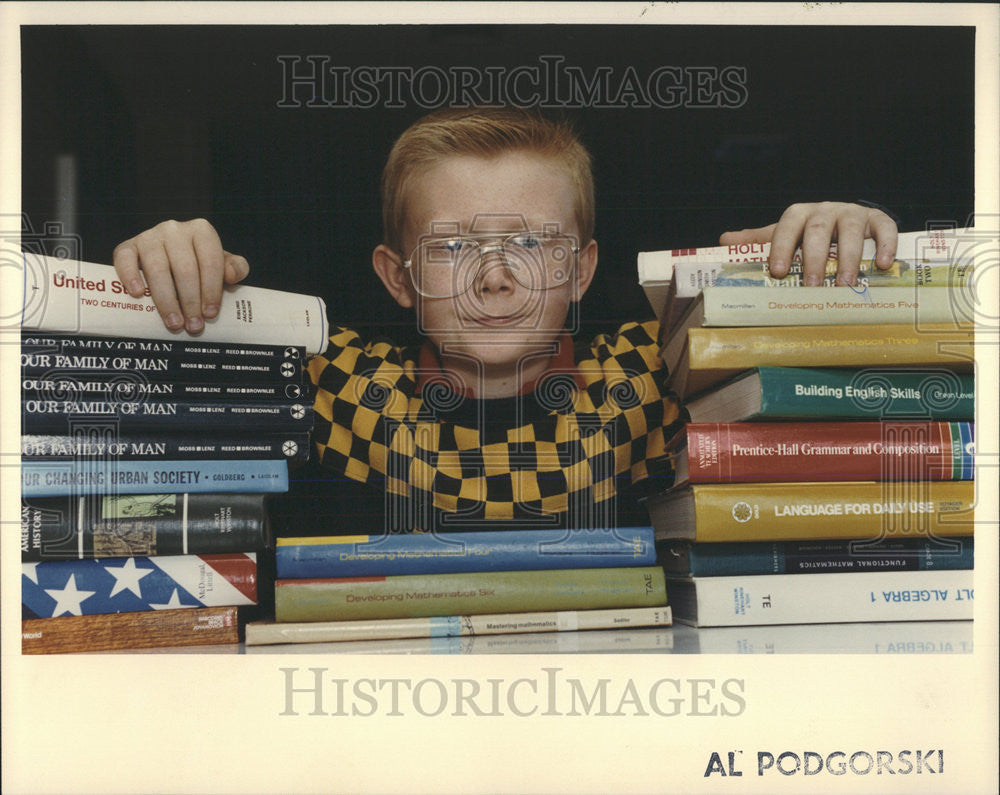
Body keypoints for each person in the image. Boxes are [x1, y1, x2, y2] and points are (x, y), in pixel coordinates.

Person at [113, 107, 899, 533]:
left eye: (531, 242)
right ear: (398, 277)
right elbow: (140, 398)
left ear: (581, 270)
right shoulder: (331, 378)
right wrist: (168, 268)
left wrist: (827, 257)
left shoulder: (658, 369)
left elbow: (831, 397)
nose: (497, 277)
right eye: (453, 246)